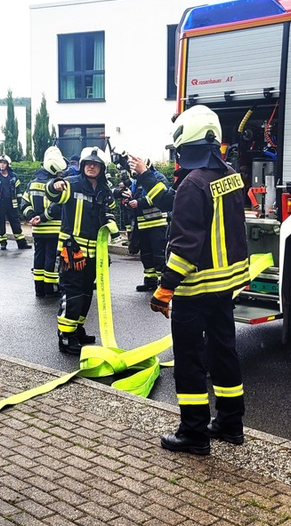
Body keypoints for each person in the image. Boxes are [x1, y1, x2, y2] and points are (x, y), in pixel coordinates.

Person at [149, 105, 250, 455]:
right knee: (224, 353)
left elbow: (185, 247)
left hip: (194, 290)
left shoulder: (192, 184)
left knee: (190, 362)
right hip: (225, 287)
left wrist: (165, 289)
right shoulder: (231, 176)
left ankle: (193, 433)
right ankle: (230, 424)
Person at [45, 147, 118, 354]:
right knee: (73, 295)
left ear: (102, 168)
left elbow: (110, 212)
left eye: (95, 164)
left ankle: (77, 330)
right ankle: (66, 337)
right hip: (72, 254)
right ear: (83, 165)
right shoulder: (71, 184)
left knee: (86, 295)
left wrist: (111, 226)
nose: (91, 166)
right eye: (88, 163)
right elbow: (52, 194)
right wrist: (54, 184)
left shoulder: (104, 190)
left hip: (95, 255)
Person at [118, 155, 171, 292]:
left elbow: (162, 197)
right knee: (146, 256)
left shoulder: (158, 177)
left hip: (157, 224)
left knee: (159, 255)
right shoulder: (137, 181)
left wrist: (139, 202)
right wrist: (129, 200)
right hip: (142, 225)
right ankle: (150, 281)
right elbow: (136, 196)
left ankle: (162, 283)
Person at [22, 146, 65, 297]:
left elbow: (24, 203)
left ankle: (39, 289)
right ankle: (51, 289)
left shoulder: (33, 183)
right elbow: (57, 207)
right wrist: (43, 217)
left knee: (38, 258)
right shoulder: (57, 184)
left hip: (38, 230)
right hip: (54, 229)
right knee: (51, 259)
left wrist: (31, 216)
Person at [0, 155, 31, 251]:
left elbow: (18, 192)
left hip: (12, 204)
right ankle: (3, 243)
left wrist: (20, 203)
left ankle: (21, 243)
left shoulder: (14, 177)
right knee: (1, 224)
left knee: (16, 224)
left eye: (4, 163)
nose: (2, 165)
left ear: (8, 165)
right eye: (0, 163)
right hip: (0, 205)